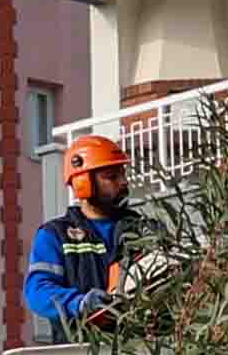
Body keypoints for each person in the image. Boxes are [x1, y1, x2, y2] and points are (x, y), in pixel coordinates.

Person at [24, 133, 147, 342]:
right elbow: (38, 291)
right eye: (112, 177)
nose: (124, 183)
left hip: (138, 352)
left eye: (123, 175)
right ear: (83, 182)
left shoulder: (143, 230)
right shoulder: (55, 235)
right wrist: (80, 304)